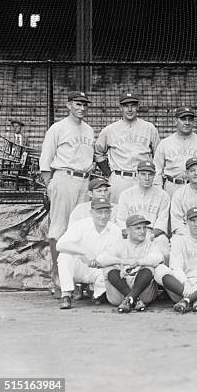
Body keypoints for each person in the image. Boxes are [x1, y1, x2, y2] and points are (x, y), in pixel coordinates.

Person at [39, 91, 94, 293]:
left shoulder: (89, 130)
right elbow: (45, 158)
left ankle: (77, 280)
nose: (82, 108)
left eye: (84, 104)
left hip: (84, 180)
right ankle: (59, 279)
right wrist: (49, 184)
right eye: (78, 104)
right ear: (68, 104)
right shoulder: (58, 128)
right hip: (63, 177)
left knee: (79, 230)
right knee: (59, 230)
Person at [94, 92, 160, 203]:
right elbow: (98, 153)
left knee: (141, 213)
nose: (130, 109)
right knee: (117, 213)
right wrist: (109, 173)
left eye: (133, 105)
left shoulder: (149, 128)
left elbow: (158, 156)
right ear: (120, 108)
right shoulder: (110, 130)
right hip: (120, 178)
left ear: (138, 107)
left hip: (142, 178)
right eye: (126, 106)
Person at [55, 197, 120, 309]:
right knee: (64, 256)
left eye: (106, 212)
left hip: (100, 269)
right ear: (91, 212)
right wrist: (85, 252)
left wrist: (99, 261)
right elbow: (60, 245)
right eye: (99, 212)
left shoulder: (115, 230)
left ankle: (94, 292)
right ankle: (66, 295)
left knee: (113, 275)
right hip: (79, 267)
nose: (103, 216)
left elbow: (116, 255)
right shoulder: (81, 225)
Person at [97, 214, 164, 313]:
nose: (142, 231)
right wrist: (122, 261)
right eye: (138, 228)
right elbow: (100, 259)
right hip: (119, 293)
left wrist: (138, 263)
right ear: (128, 231)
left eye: (144, 228)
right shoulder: (120, 244)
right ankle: (133, 299)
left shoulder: (151, 245)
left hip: (143, 293)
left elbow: (159, 257)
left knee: (149, 267)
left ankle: (129, 299)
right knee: (108, 267)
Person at [153, 106, 197, 197]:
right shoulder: (165, 143)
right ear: (176, 121)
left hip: (195, 188)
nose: (187, 123)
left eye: (190, 119)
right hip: (172, 187)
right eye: (183, 119)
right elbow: (157, 171)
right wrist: (159, 192)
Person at [117, 161, 171, 264]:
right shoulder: (126, 194)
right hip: (131, 233)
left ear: (154, 175)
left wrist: (149, 236)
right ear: (137, 175)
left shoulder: (163, 196)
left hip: (153, 234)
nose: (147, 178)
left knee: (164, 252)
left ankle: (160, 277)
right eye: (143, 174)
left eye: (150, 174)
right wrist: (132, 235)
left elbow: (162, 221)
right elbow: (121, 220)